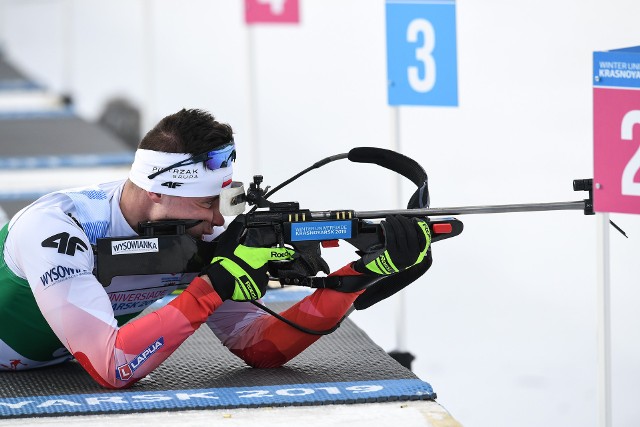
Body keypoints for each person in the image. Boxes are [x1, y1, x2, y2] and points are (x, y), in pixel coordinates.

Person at [0, 108, 431, 388]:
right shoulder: (57, 227)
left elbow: (260, 347)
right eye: (208, 202)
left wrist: (360, 275)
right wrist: (213, 286)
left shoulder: (193, 230)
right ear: (156, 190)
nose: (218, 220)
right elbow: (113, 365)